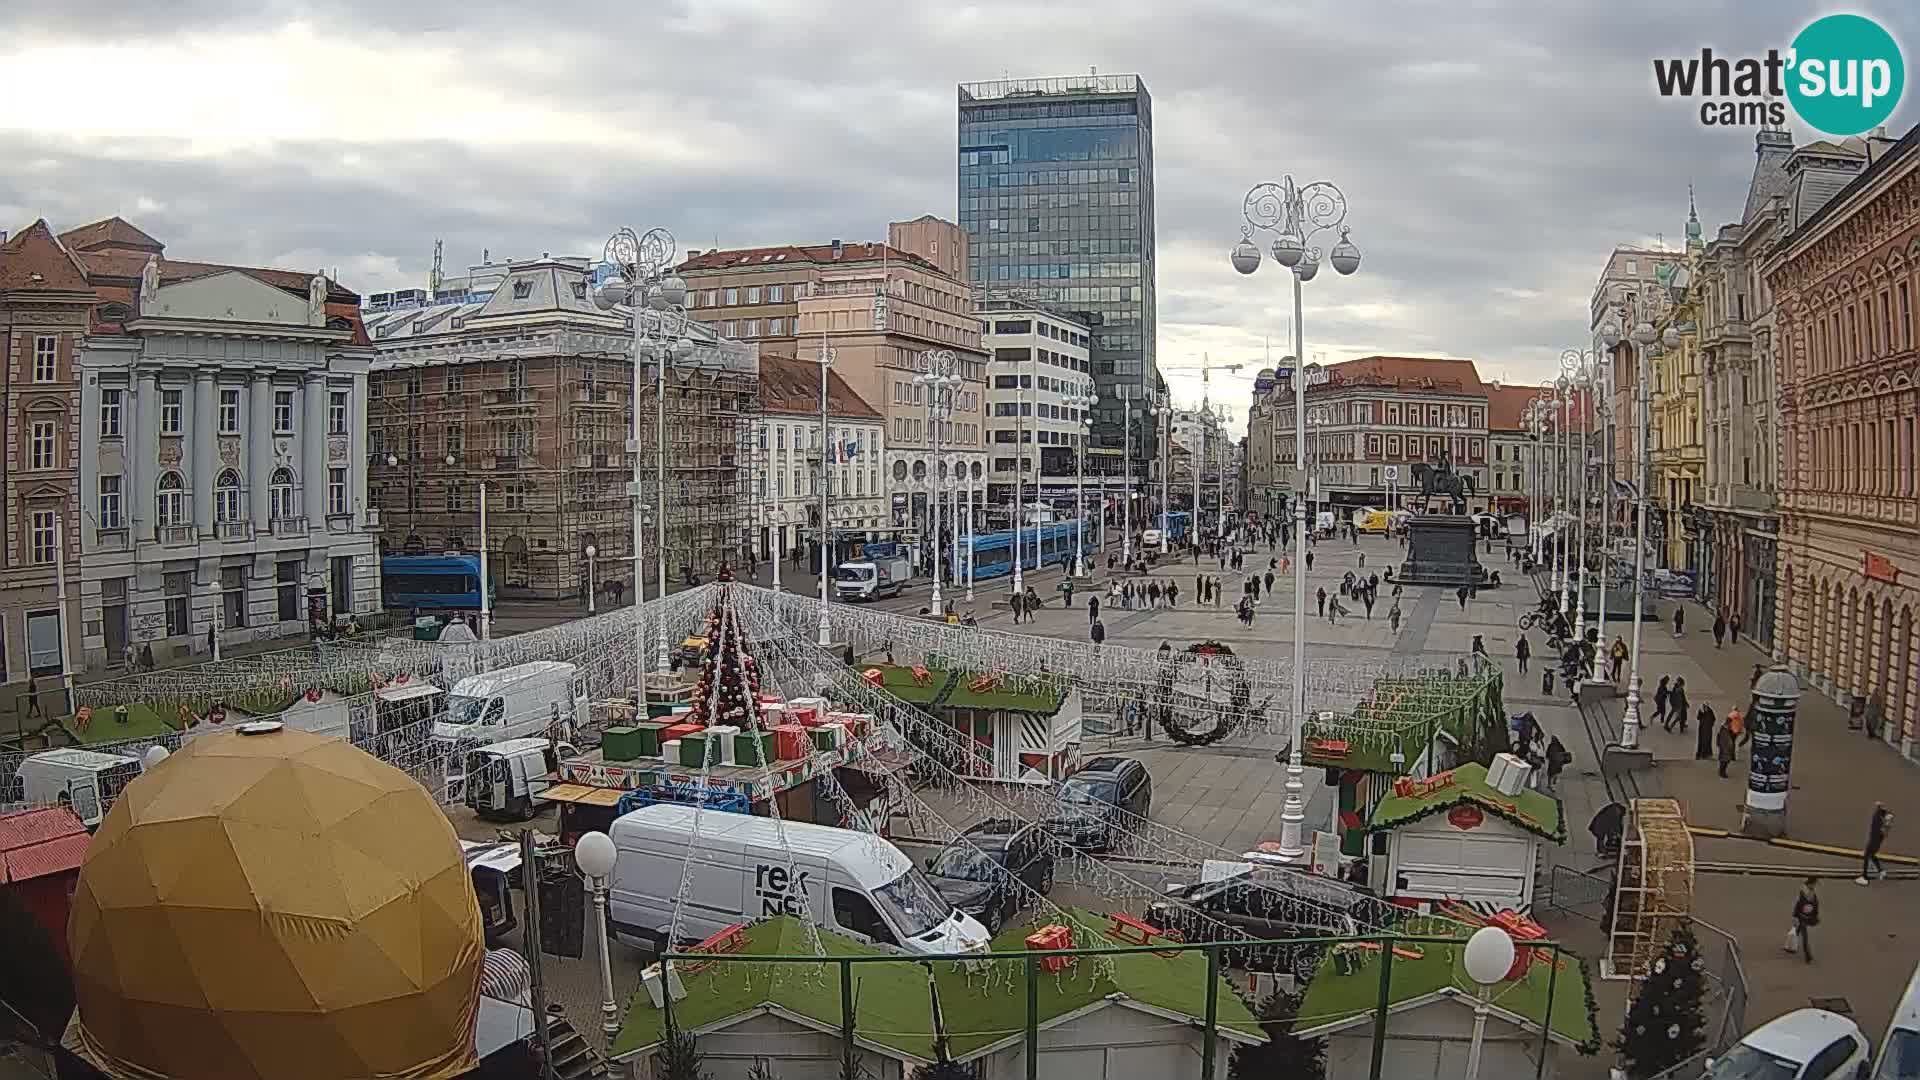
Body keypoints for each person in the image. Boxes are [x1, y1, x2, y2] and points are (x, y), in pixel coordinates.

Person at [1859, 801, 1893, 885]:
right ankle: (1881, 871)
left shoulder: (1880, 822)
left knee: (1867, 855)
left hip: (1873, 841)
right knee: (1871, 855)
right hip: (1877, 842)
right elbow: (1880, 814)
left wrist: (1879, 807)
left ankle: (1864, 877)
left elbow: (1877, 817)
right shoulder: (1884, 824)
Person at [1788, 877, 1819, 963]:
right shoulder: (1803, 893)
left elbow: (1815, 904)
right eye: (1814, 884)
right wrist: (1795, 916)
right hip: (1802, 918)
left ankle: (1790, 947)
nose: (1815, 885)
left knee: (1796, 932)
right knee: (1805, 937)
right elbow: (1798, 905)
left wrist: (1815, 915)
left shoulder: (1812, 892)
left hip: (1806, 917)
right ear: (1810, 884)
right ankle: (1808, 956)